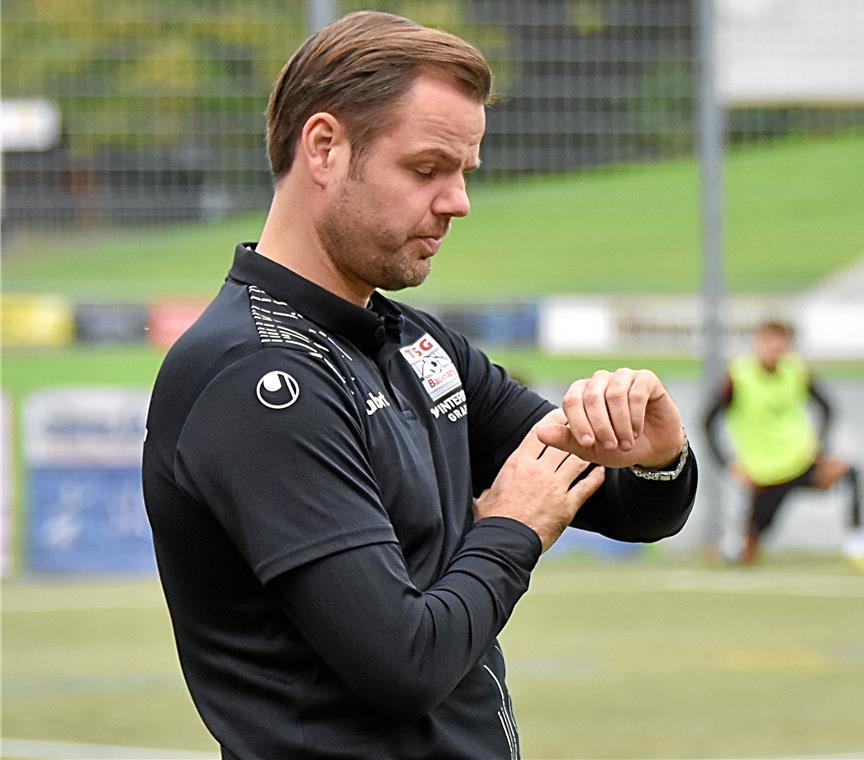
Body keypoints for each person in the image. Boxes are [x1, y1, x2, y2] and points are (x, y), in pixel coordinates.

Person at [141, 12, 696, 759]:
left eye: (465, 172)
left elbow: (625, 506)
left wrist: (657, 454)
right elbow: (403, 664)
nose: (458, 201)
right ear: (325, 148)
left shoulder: (414, 342)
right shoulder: (257, 378)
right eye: (427, 169)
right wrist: (512, 528)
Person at [703, 320, 864, 574]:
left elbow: (827, 408)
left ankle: (857, 545)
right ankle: (732, 545)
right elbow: (707, 422)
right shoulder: (738, 376)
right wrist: (728, 464)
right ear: (758, 344)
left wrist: (819, 446)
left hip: (801, 462)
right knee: (746, 552)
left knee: (850, 471)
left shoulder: (797, 370)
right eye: (770, 343)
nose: (775, 351)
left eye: (781, 345)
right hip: (765, 474)